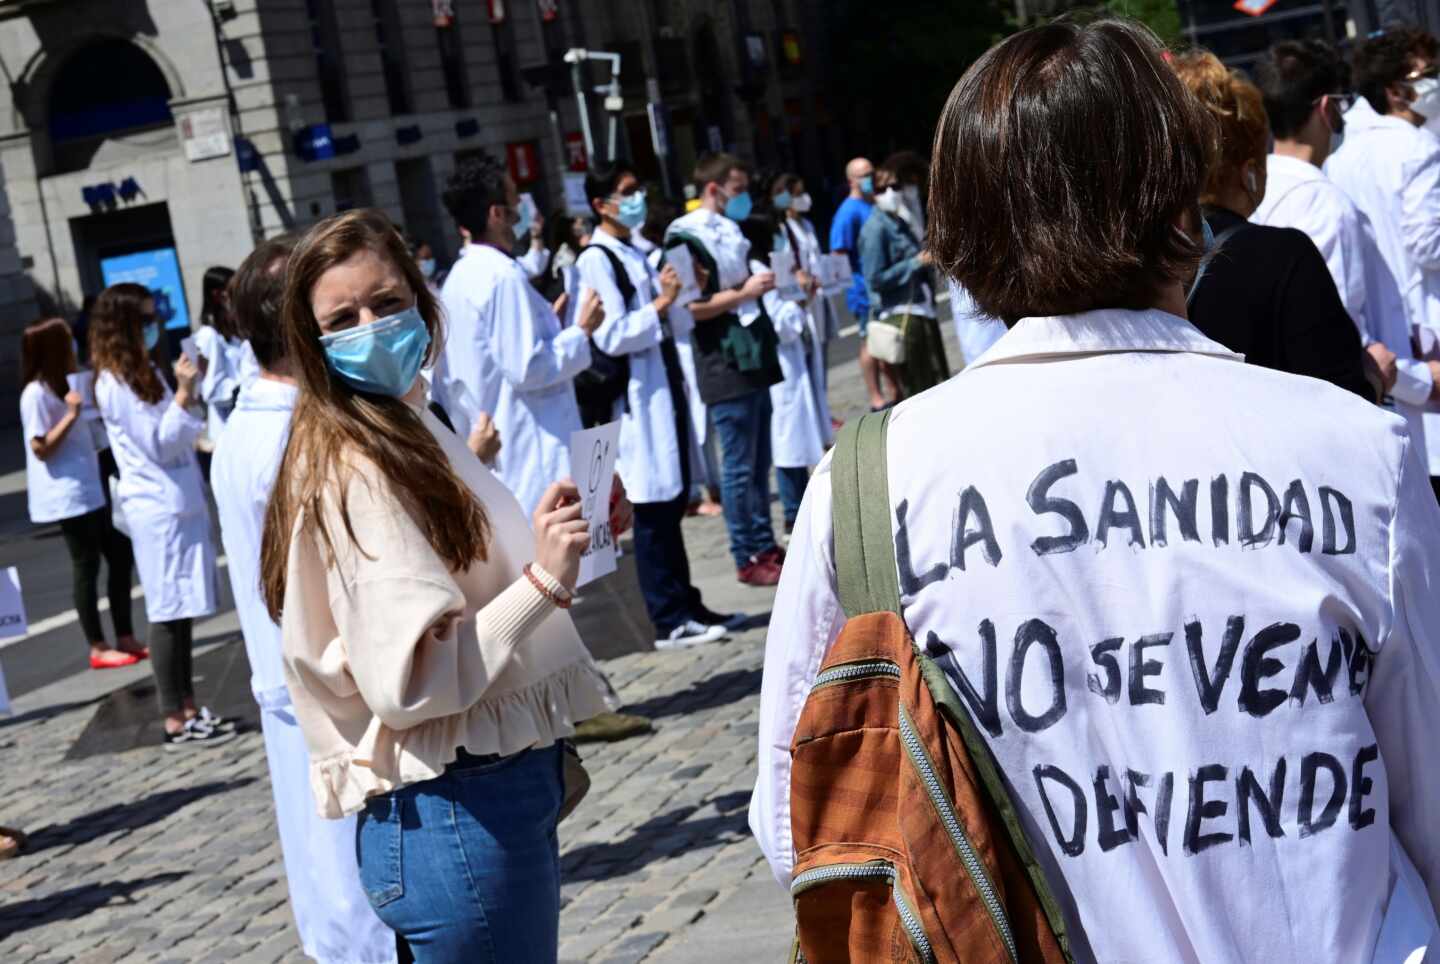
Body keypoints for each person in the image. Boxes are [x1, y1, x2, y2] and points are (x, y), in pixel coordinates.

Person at [753, 18, 1440, 961]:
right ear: (1178, 198)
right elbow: (1431, 791)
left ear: (962, 219)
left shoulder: (868, 484)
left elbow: (802, 823)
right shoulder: (1355, 450)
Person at [259, 208, 613, 960]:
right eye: (343, 316)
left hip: (479, 797)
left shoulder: (408, 422)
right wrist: (544, 582)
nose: (371, 327)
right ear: (312, 343)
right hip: (455, 805)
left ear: (422, 300)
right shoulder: (356, 463)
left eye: (387, 304)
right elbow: (412, 677)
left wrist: (550, 541)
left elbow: (462, 579)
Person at [212, 236, 398, 964]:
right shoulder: (294, 434)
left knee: (331, 885)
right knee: (359, 893)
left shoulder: (250, 421)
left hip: (295, 683)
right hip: (330, 684)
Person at [577, 162, 737, 648]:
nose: (636, 198)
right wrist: (663, 304)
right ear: (601, 204)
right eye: (626, 191)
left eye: (637, 188)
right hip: (633, 400)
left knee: (671, 501)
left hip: (662, 386)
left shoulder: (636, 249)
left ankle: (687, 600)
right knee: (650, 509)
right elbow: (610, 333)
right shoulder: (596, 259)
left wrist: (685, 291)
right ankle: (667, 616)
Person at [1253, 40, 1434, 454]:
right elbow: (1341, 331)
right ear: (1326, 108)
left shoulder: (1260, 189)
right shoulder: (1323, 202)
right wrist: (1420, 380)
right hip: (1366, 412)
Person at [1174, 50, 1372, 400]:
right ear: (1247, 168)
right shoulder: (1283, 257)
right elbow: (1344, 399)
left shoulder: (1137, 262)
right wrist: (1377, 379)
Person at [89, 283, 230, 750]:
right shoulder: (112, 382)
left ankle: (188, 705)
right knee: (168, 608)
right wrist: (184, 394)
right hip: (155, 505)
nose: (154, 326)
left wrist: (186, 392)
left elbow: (176, 435)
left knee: (185, 606)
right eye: (145, 319)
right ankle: (175, 715)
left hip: (178, 497)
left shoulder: (143, 369)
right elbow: (158, 442)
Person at [436, 153, 604, 517]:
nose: (521, 210)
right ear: (497, 214)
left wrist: (549, 328)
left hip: (503, 453)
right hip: (534, 455)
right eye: (515, 201)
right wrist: (581, 331)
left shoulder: (460, 276)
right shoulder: (502, 276)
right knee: (560, 562)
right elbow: (527, 368)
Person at [1327, 27, 1440, 497]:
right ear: (1396, 90)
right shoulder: (1418, 148)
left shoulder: (1343, 157)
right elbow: (1427, 243)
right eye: (1430, 73)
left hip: (1389, 345)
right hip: (1428, 337)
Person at [667, 153, 786, 587]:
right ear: (713, 189)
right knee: (737, 465)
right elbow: (692, 307)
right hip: (722, 358)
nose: (743, 198)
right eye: (736, 190)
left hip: (751, 352)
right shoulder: (683, 236)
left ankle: (765, 542)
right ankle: (747, 551)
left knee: (758, 462)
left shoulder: (729, 229)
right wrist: (744, 292)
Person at [19, 317, 143, 669]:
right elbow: (40, 447)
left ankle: (125, 634)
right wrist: (71, 415)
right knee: (85, 566)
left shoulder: (70, 383)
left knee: (119, 555)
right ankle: (98, 645)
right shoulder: (35, 394)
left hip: (95, 483)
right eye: (67, 343)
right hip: (68, 493)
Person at [739, 213, 829, 535]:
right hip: (781, 366)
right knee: (789, 442)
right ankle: (794, 513)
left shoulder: (768, 273)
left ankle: (801, 509)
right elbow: (783, 326)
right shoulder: (762, 276)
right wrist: (802, 301)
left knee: (798, 438)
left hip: (792, 364)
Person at [860, 157, 950, 396]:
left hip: (922, 309)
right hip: (902, 315)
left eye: (895, 187)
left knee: (938, 380)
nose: (891, 193)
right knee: (920, 389)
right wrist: (915, 263)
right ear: (873, 193)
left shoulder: (898, 220)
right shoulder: (874, 229)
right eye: (882, 188)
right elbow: (875, 278)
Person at [830, 156, 898, 411]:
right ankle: (875, 398)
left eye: (871, 172)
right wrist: (855, 286)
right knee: (869, 343)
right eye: (863, 175)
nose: (869, 178)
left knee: (885, 340)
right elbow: (838, 253)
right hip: (863, 290)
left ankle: (894, 389)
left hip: (881, 286)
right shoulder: (847, 212)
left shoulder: (871, 203)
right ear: (851, 181)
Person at [775, 174, 841, 399]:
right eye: (798, 194)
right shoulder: (783, 229)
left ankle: (823, 404)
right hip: (803, 300)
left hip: (819, 295)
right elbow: (786, 265)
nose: (804, 198)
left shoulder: (807, 224)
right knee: (809, 354)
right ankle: (817, 405)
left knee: (821, 349)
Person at [192, 265, 248, 440]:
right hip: (228, 428)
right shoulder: (208, 336)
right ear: (217, 295)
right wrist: (244, 387)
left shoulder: (235, 331)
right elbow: (210, 390)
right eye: (233, 290)